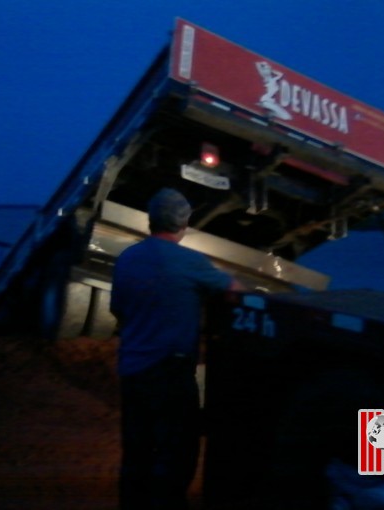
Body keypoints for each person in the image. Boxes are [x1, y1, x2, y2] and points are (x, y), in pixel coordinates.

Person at [110, 187, 244, 510]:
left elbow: (118, 309)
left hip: (132, 371)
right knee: (178, 453)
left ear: (150, 221)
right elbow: (234, 291)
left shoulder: (127, 258)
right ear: (184, 224)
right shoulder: (191, 262)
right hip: (172, 372)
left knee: (137, 451)